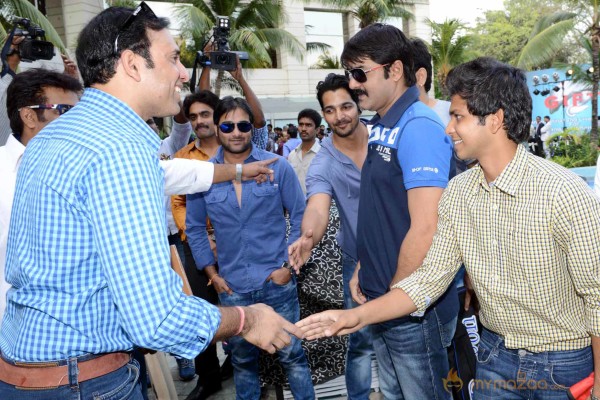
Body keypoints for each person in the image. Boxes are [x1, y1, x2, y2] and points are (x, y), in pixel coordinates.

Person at [0, 4, 302, 399]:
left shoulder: (57, 135)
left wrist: (240, 171)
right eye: (173, 58)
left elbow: (177, 175)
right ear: (131, 64)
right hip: (82, 381)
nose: (181, 72)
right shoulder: (118, 148)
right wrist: (248, 319)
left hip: (30, 372)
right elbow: (157, 317)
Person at [298, 57, 600, 400]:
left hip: (563, 367)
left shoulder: (563, 192)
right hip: (494, 358)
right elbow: (428, 279)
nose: (447, 128)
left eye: (458, 117)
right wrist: (354, 318)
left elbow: (598, 295)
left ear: (496, 120)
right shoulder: (458, 193)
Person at [336, 23, 459, 399]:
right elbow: (381, 210)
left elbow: (426, 227)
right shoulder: (382, 124)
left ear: (395, 70)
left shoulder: (418, 126)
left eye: (360, 73)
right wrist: (364, 267)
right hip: (386, 297)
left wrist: (393, 297)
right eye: (348, 74)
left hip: (411, 305)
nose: (353, 84)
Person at [186, 97, 314, 400]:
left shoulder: (277, 166)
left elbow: (299, 216)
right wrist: (212, 274)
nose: (236, 132)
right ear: (217, 129)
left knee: (292, 356)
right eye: (228, 126)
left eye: (243, 125)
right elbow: (193, 228)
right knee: (243, 362)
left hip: (276, 282)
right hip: (232, 288)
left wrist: (287, 267)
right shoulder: (203, 175)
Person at [288, 73, 374, 400]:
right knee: (361, 339)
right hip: (356, 260)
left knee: (407, 336)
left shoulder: (384, 140)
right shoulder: (324, 160)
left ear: (358, 104)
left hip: (403, 252)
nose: (340, 116)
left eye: (346, 106)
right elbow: (318, 207)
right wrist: (308, 239)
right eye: (330, 110)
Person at [0, 68, 82, 322]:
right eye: (64, 110)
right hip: (11, 332)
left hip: (84, 333)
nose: (77, 121)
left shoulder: (84, 165)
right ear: (29, 116)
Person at [171, 90, 226, 399]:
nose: (199, 122)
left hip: (233, 243)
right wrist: (199, 238)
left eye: (205, 115)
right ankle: (209, 376)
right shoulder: (182, 157)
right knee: (200, 310)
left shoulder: (233, 150)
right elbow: (178, 203)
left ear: (217, 116)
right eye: (193, 117)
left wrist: (220, 238)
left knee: (238, 303)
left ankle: (239, 366)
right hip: (193, 245)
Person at [287, 108, 322, 194]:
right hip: (296, 205)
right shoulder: (292, 155)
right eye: (301, 124)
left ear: (317, 130)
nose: (303, 129)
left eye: (308, 125)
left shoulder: (323, 155)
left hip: (317, 205)